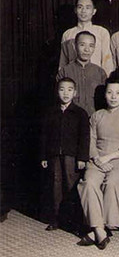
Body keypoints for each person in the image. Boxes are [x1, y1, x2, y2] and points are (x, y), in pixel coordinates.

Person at [77, 79, 119, 250]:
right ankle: (99, 230)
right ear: (105, 95)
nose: (113, 97)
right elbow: (90, 141)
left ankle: (102, 227)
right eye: (110, 92)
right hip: (97, 158)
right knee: (89, 183)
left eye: (118, 93)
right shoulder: (97, 116)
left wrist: (109, 157)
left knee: (112, 183)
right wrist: (97, 159)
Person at [40, 77, 90, 231]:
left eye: (69, 90)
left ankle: (74, 220)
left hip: (72, 156)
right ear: (57, 92)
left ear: (75, 93)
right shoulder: (51, 112)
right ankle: (56, 218)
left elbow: (84, 137)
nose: (65, 93)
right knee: (56, 186)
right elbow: (44, 135)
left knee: (71, 186)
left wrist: (82, 158)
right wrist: (43, 156)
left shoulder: (80, 113)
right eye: (62, 89)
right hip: (54, 154)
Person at [59, 0, 114, 76]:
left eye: (88, 8)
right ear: (75, 10)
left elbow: (107, 60)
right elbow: (63, 62)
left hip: (96, 76)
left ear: (94, 11)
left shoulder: (102, 32)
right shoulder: (67, 34)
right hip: (73, 77)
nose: (83, 11)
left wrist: (107, 80)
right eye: (80, 7)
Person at [57, 31, 107, 116]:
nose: (87, 49)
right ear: (75, 46)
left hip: (94, 117)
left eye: (91, 46)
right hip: (71, 117)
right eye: (82, 45)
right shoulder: (65, 71)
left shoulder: (100, 72)